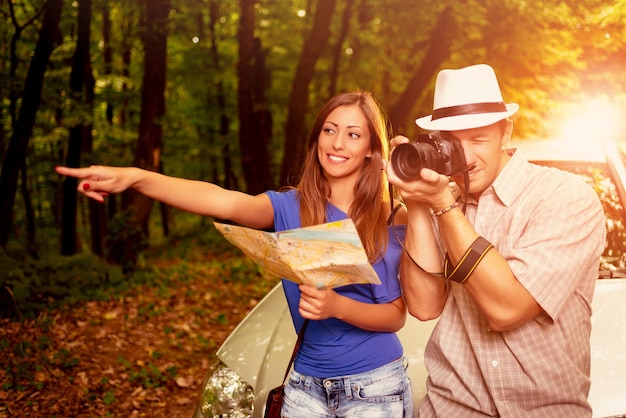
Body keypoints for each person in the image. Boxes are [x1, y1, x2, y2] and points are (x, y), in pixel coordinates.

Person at [56, 91, 414, 417]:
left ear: (370, 148)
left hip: (375, 387)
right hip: (305, 386)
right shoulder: (290, 207)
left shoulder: (388, 216)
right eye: (329, 130)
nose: (337, 143)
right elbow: (221, 199)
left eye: (353, 134)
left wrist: (338, 307)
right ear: (316, 137)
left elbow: (396, 316)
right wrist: (136, 178)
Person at [386, 64, 606, 417]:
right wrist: (415, 201)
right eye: (453, 143)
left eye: (478, 139)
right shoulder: (444, 199)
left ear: (506, 134)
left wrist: (442, 206)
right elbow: (425, 306)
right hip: (450, 409)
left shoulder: (565, 197)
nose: (467, 157)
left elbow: (507, 309)